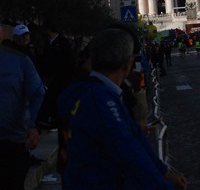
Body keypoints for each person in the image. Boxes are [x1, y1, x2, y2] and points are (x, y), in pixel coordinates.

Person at [58, 28, 187, 189]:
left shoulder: (83, 90)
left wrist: (165, 174)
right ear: (128, 63)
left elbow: (135, 137)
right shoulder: (102, 100)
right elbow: (130, 152)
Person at [0, 39, 46, 190]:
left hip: (12, 141)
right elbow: (38, 93)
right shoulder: (19, 61)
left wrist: (33, 125)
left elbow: (38, 93)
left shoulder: (20, 61)